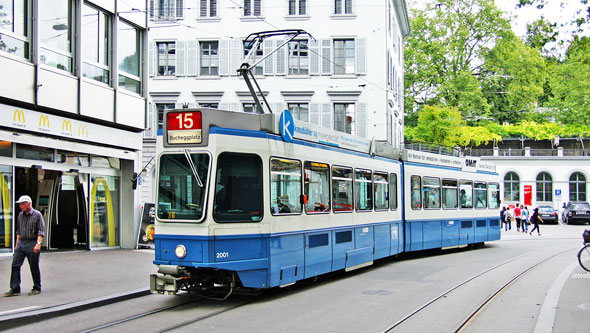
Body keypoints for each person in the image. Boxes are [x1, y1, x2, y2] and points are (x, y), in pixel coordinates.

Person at [4, 195, 45, 297]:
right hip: (21, 243)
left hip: (32, 242)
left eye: (22, 204)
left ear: (29, 204)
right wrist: (17, 243)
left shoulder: (37, 215)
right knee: (15, 265)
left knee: (34, 266)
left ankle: (36, 287)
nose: (20, 206)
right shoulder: (20, 215)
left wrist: (38, 244)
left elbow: (40, 231)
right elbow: (18, 230)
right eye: (20, 204)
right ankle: (15, 288)